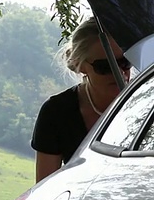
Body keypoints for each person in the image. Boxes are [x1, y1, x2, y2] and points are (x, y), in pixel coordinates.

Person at [31, 17, 131, 183]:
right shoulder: (56, 112)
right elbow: (44, 187)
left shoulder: (146, 106)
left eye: (125, 62)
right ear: (80, 65)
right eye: (105, 66)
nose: (119, 73)